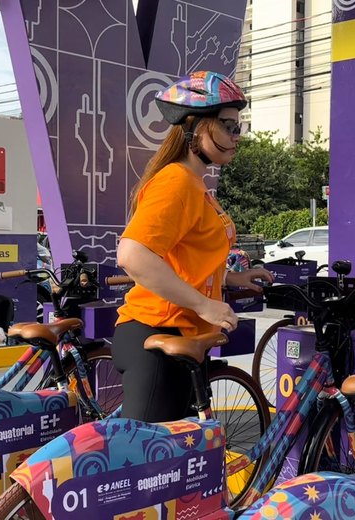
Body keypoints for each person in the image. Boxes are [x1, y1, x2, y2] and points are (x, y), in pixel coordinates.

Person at [113, 71, 274, 422]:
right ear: (197, 128)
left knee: (182, 462)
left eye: (239, 128)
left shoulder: (195, 184)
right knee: (146, 467)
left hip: (185, 338)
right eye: (228, 126)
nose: (236, 137)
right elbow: (132, 254)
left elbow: (188, 258)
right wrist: (204, 305)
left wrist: (233, 279)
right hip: (157, 335)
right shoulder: (175, 183)